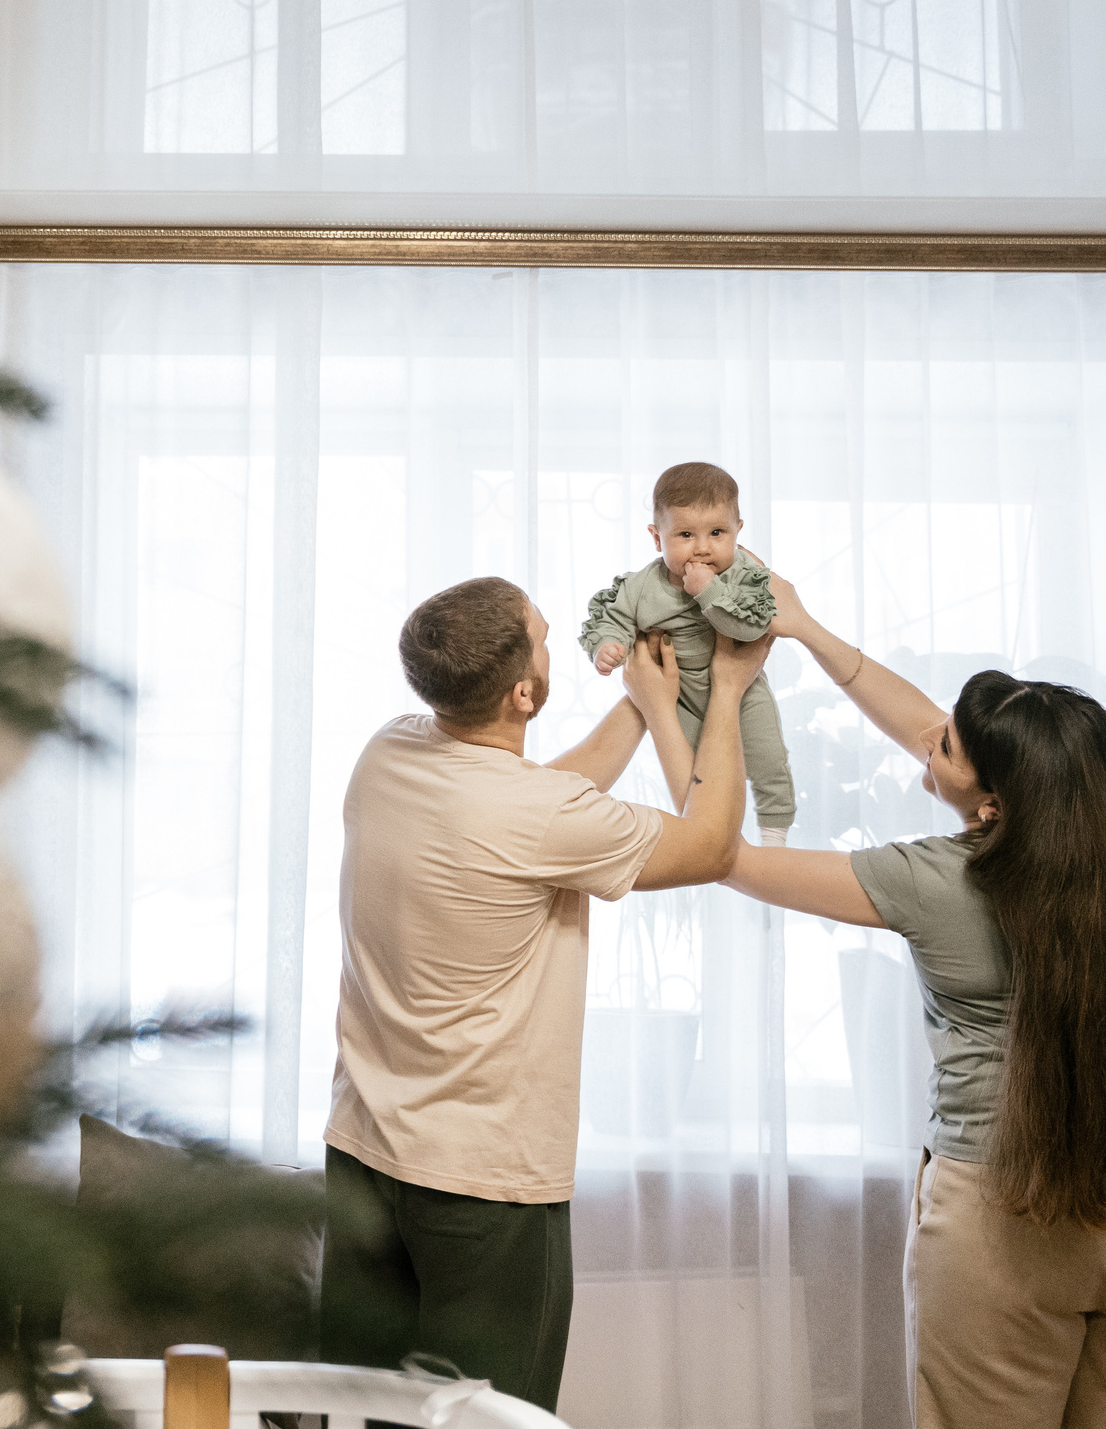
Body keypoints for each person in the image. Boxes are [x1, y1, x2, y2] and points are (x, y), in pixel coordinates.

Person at [641, 573, 1106, 1429]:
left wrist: (689, 705)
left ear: (993, 804)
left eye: (945, 747)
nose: (926, 740)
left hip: (1005, 1211)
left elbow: (720, 853)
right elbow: (942, 737)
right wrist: (806, 629)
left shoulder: (937, 881)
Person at [318, 575, 772, 1411]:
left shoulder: (390, 753)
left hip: (364, 1162)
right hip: (481, 1187)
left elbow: (537, 805)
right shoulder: (534, 815)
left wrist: (641, 705)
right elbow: (711, 846)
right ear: (522, 695)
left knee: (381, 1415)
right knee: (493, 1423)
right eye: (544, 637)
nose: (554, 637)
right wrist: (730, 690)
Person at [580, 461, 793, 845]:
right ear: (657, 538)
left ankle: (774, 833)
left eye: (717, 533)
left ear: (737, 530)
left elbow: (751, 628)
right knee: (702, 775)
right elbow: (612, 616)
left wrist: (709, 591)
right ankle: (723, 843)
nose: (702, 547)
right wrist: (607, 645)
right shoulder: (642, 587)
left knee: (769, 759)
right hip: (680, 697)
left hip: (744, 689)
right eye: (685, 534)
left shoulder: (744, 575)